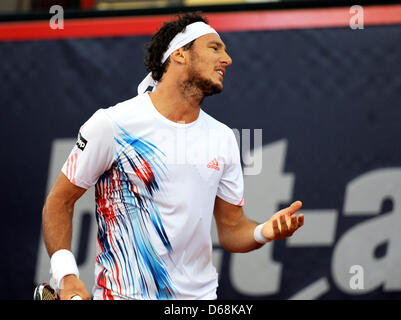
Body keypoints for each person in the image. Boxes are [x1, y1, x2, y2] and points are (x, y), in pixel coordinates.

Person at [42, 12, 304, 300]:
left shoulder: (223, 138)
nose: (227, 59)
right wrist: (66, 276)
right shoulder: (112, 125)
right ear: (180, 54)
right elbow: (59, 203)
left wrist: (265, 231)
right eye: (214, 48)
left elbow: (232, 230)